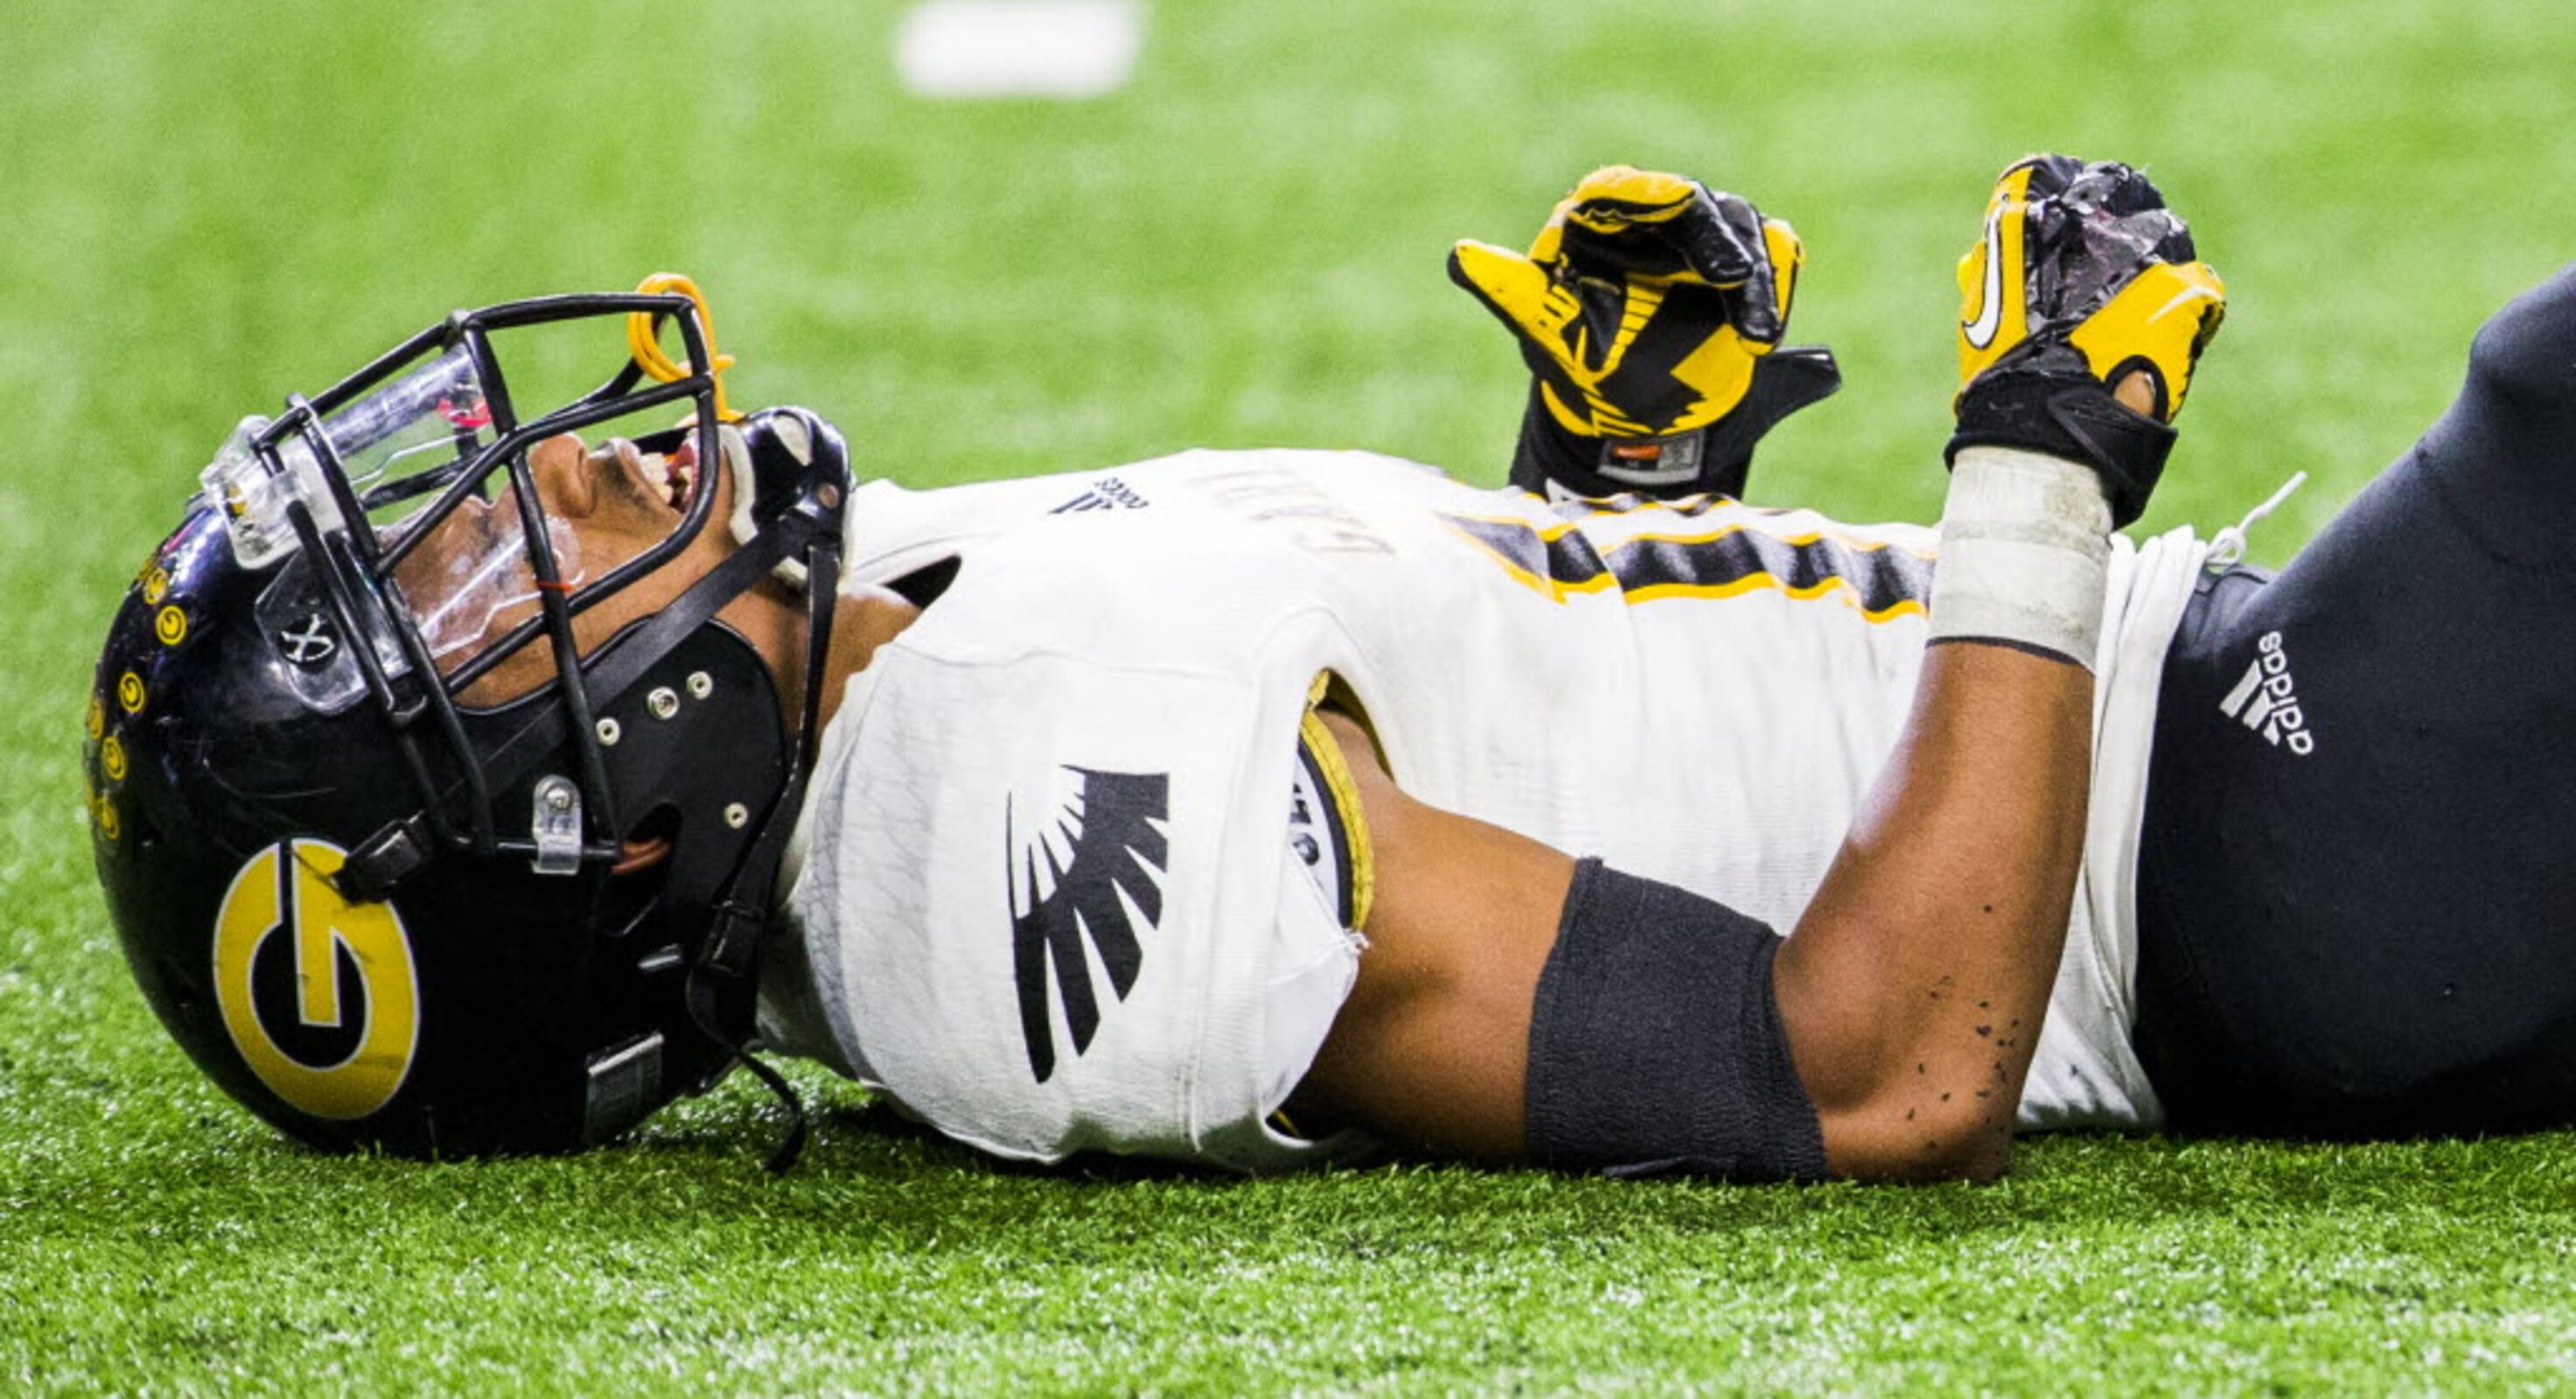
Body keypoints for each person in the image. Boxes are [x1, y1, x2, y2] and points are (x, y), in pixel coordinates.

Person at [78, 159, 2576, 1185]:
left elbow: (1511, 794)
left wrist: (1610, 496)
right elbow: (1871, 1061)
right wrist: (2032, 471)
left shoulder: (887, 644)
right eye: (462, 604)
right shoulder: (987, 848)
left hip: (2236, 775)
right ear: (584, 833)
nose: (525, 493)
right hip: (2254, 875)